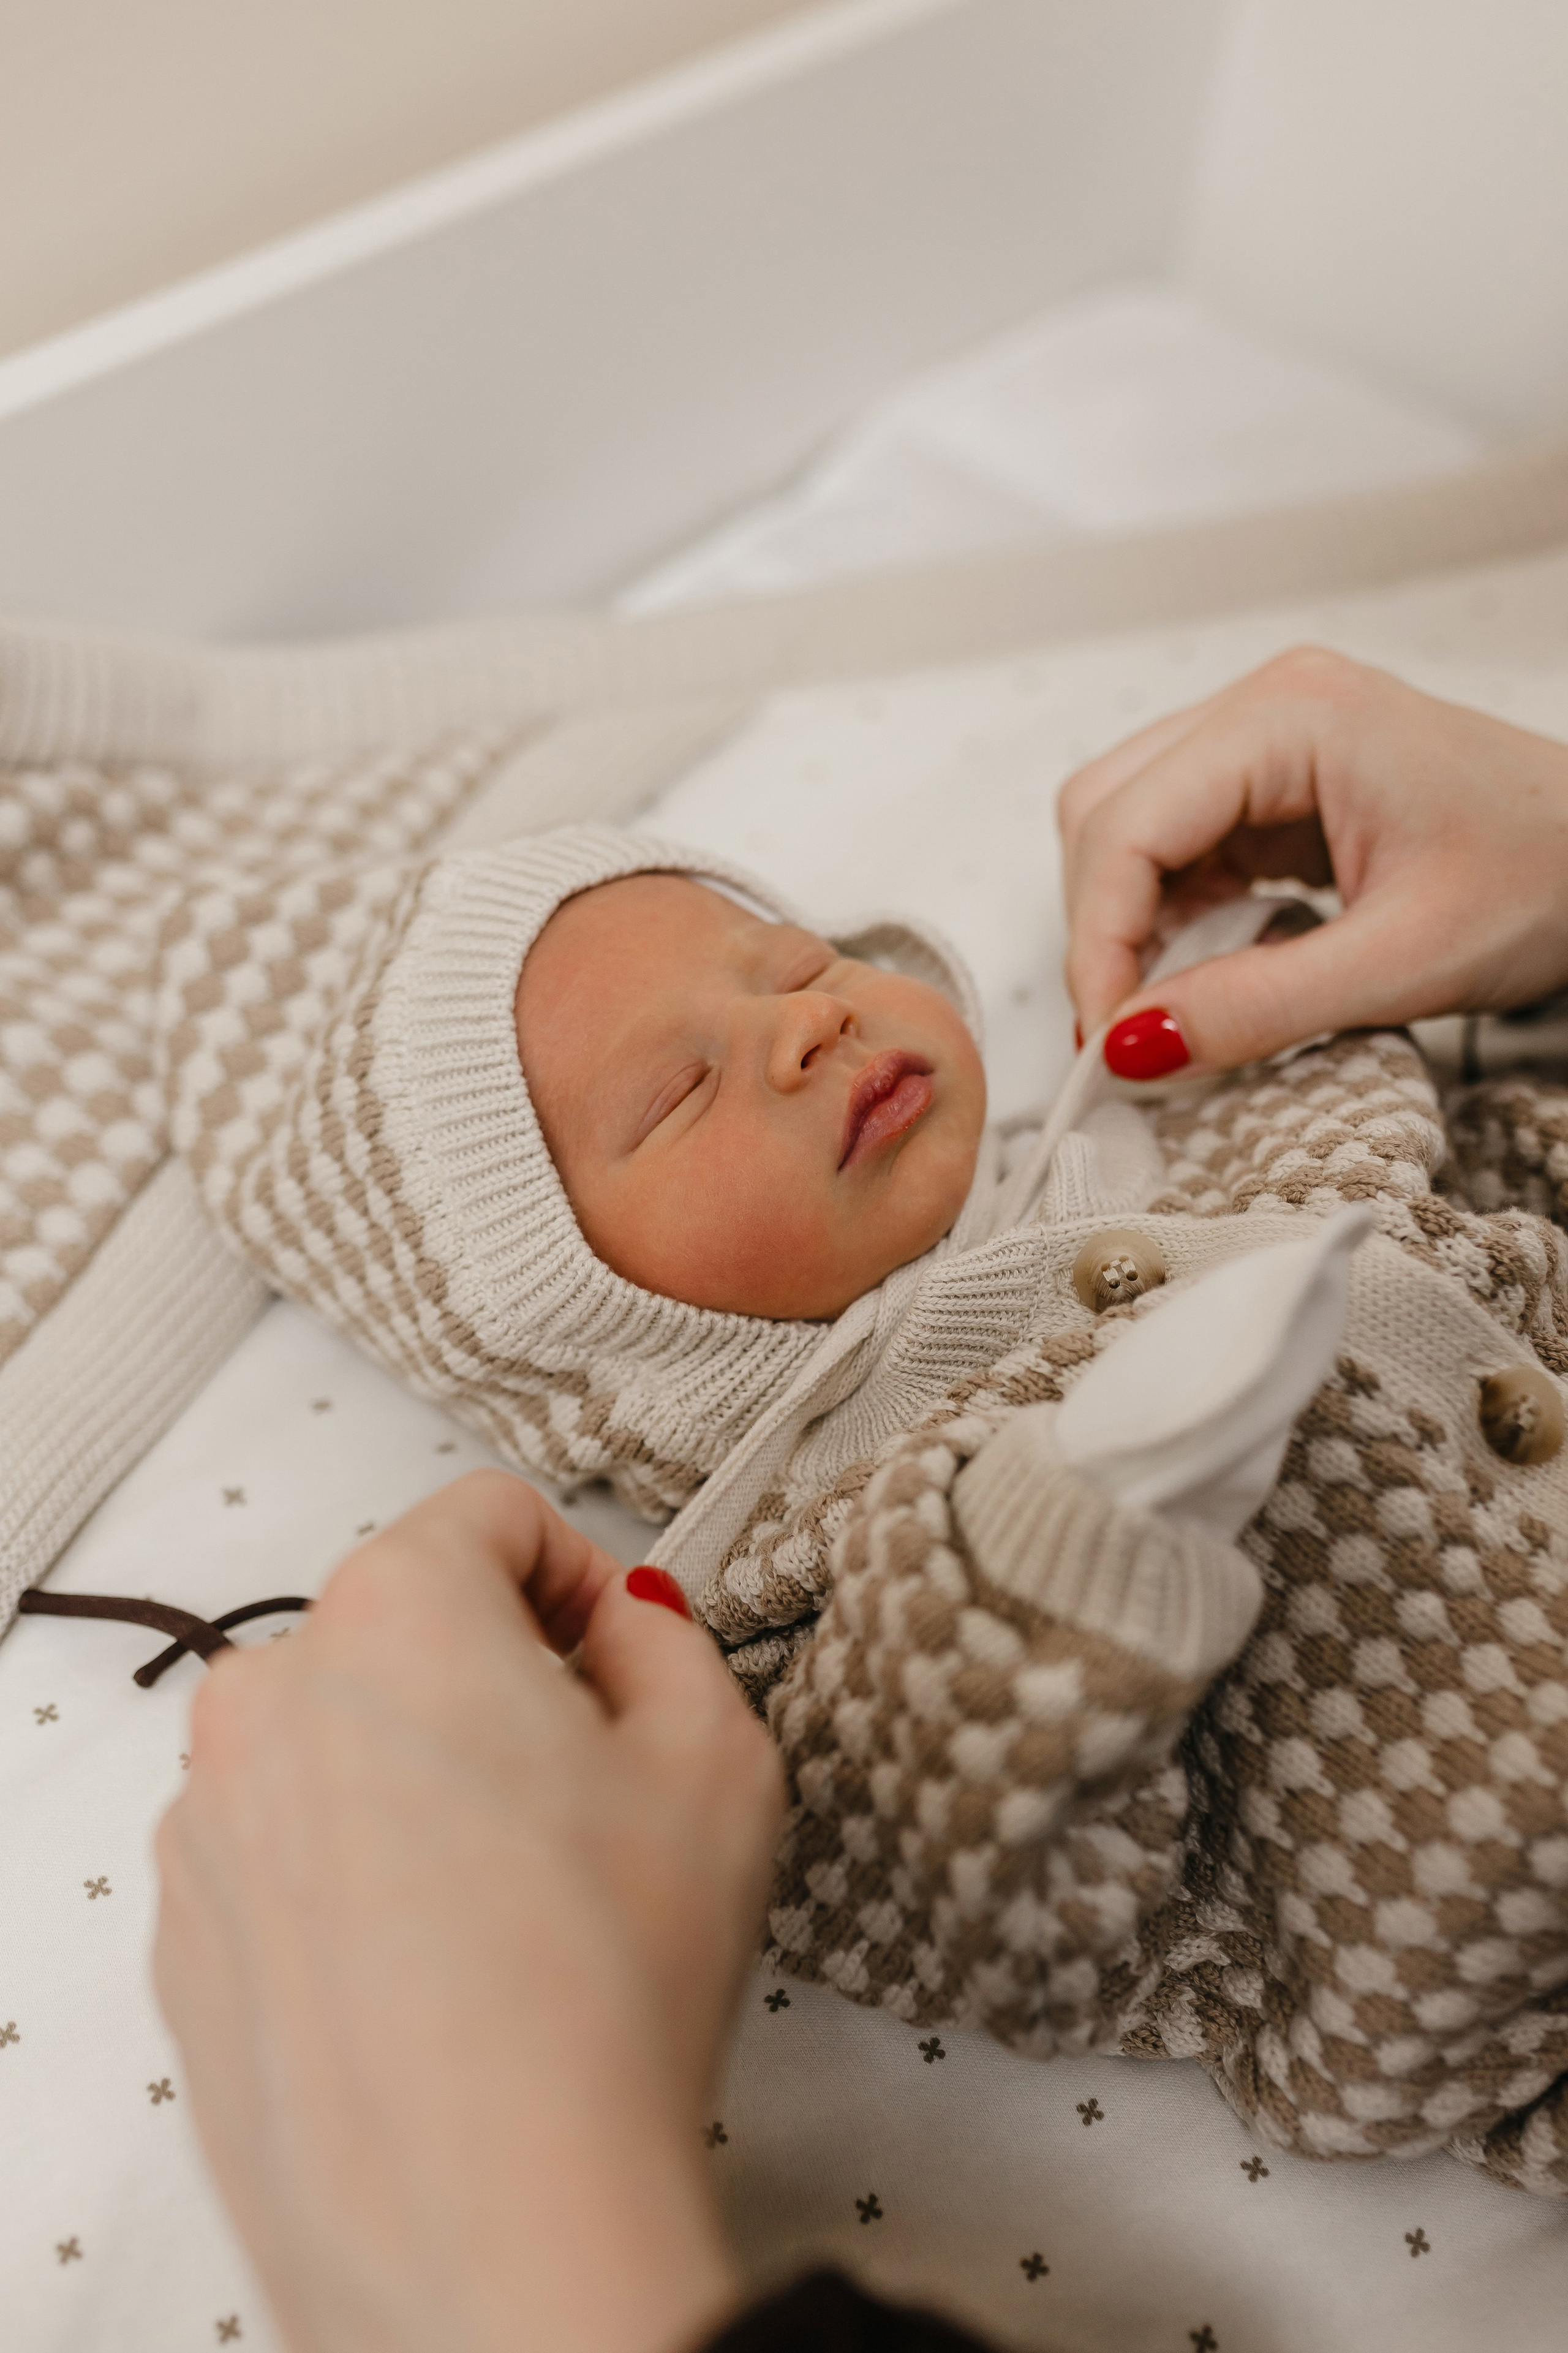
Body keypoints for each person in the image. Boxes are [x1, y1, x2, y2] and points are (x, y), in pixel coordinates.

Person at [155, 649, 1568, 2345]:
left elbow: (1479, 1135)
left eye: (797, 958)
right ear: (598, 1333)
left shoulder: (1193, 1111)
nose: (807, 1017)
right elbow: (970, 1872)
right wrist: (1057, 1526)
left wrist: (1338, 983)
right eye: (679, 1092)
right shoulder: (782, 1609)